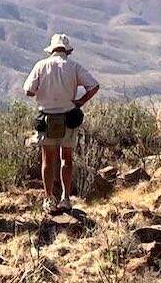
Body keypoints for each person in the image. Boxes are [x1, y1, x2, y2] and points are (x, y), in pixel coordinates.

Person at [23, 33, 100, 213]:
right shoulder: (73, 67)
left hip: (46, 118)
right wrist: (80, 101)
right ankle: (66, 198)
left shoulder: (41, 66)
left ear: (51, 50)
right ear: (67, 51)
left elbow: (28, 91)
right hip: (68, 117)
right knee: (67, 158)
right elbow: (94, 86)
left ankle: (48, 198)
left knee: (47, 160)